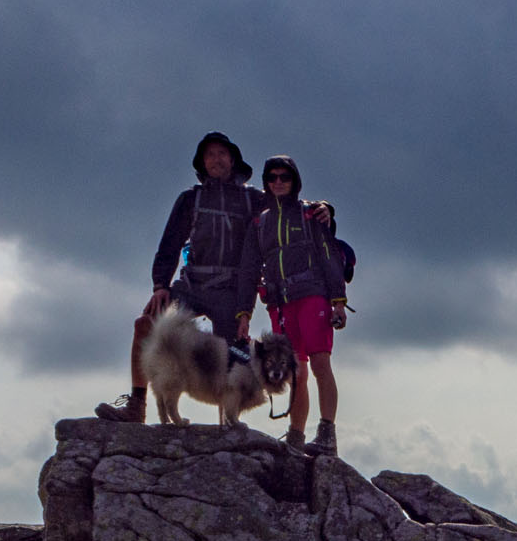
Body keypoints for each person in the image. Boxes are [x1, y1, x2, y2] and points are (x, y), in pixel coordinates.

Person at [97, 132, 266, 423]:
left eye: (221, 153)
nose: (216, 159)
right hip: (191, 286)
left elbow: (286, 210)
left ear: (233, 159)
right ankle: (137, 406)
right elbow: (170, 244)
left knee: (231, 354)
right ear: (202, 162)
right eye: (209, 154)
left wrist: (322, 209)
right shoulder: (191, 198)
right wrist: (160, 285)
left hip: (230, 290)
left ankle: (227, 422)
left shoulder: (253, 200)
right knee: (146, 326)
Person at [235, 154, 351, 454]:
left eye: (284, 177)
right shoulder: (259, 223)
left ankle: (326, 436)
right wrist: (244, 313)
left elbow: (328, 255)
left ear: (294, 181)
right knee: (295, 370)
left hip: (313, 296)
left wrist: (339, 301)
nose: (277, 183)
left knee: (320, 364)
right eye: (271, 178)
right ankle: (297, 437)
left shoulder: (311, 214)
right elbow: (248, 270)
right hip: (280, 304)